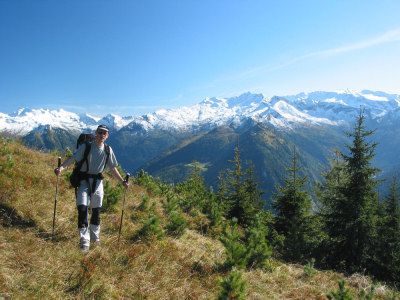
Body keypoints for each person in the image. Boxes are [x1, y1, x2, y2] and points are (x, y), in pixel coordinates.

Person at [54, 125, 129, 252]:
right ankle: (84, 241)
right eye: (100, 133)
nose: (102, 135)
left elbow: (112, 168)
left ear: (107, 136)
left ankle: (95, 237)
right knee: (82, 209)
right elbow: (73, 158)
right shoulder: (86, 147)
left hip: (97, 182)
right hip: (84, 181)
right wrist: (61, 168)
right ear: (96, 133)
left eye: (104, 133)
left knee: (96, 211)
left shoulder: (107, 150)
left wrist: (122, 181)